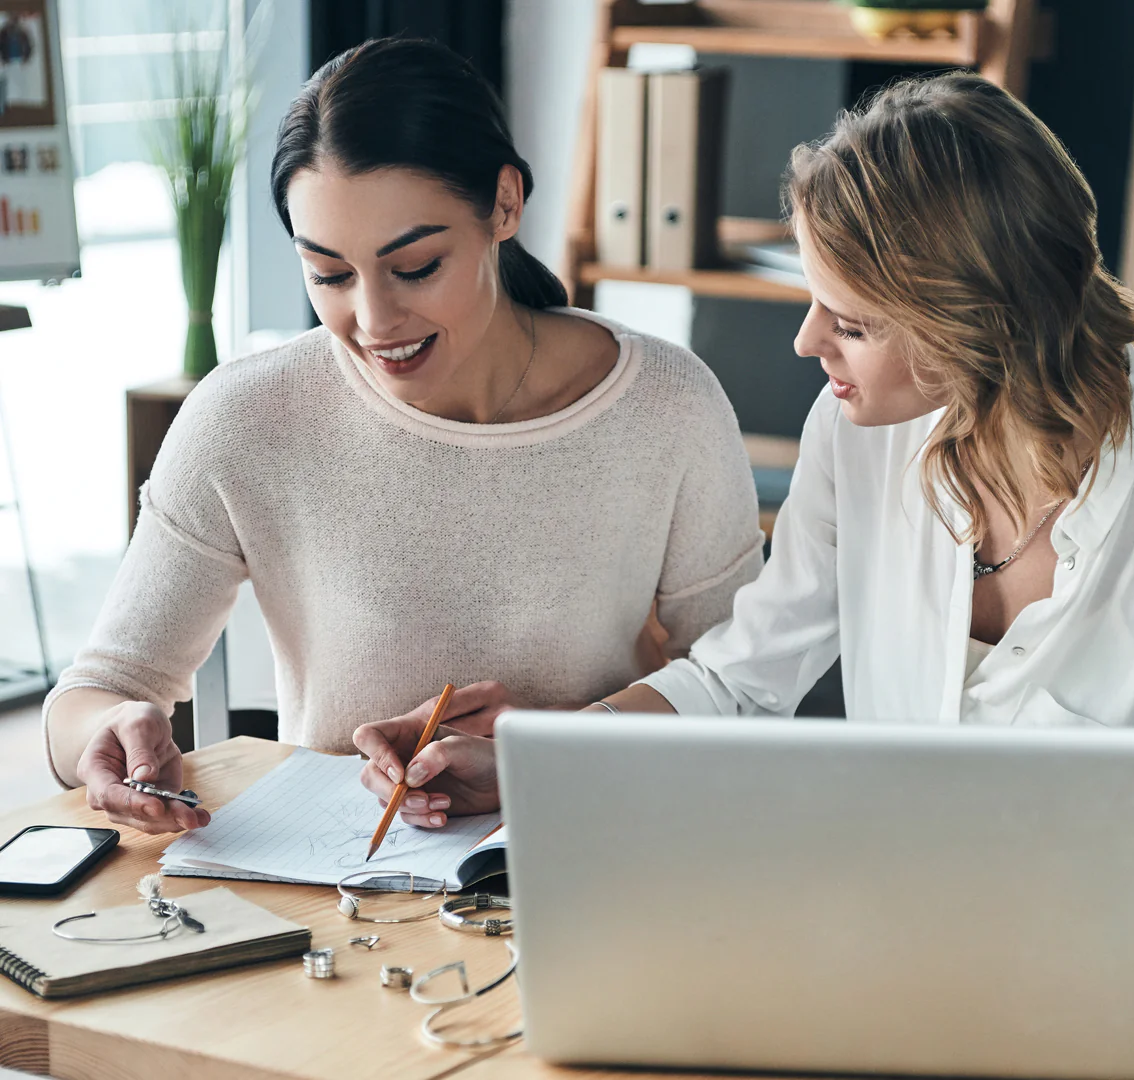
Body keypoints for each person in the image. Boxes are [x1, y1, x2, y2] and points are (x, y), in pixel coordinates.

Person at [389, 74, 1134, 899]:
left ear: (978, 326)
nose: (808, 343)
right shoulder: (859, 439)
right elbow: (741, 682)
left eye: (850, 323)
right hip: (904, 967)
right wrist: (529, 756)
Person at [42, 37, 762, 834]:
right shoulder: (246, 417)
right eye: (330, 275)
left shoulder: (665, 404)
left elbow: (743, 686)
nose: (375, 322)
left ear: (505, 204)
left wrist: (547, 747)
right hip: (341, 898)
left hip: (598, 848)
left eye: (415, 266)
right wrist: (102, 738)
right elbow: (98, 687)